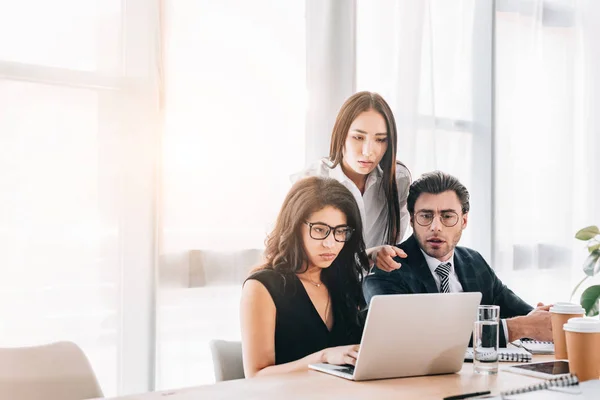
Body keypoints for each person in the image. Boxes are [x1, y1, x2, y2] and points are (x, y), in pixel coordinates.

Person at [363, 171, 552, 347]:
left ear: (464, 220)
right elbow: (418, 337)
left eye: (447, 216)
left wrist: (545, 319)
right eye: (426, 216)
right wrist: (519, 327)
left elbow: (523, 315)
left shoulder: (474, 262)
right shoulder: (388, 269)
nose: (436, 227)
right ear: (412, 220)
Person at [240, 177, 368, 378]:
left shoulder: (344, 281)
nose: (330, 244)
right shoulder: (263, 286)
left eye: (340, 232)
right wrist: (324, 358)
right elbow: (256, 375)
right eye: (320, 230)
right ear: (294, 226)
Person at [293, 91, 411, 272]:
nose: (368, 151)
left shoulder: (398, 181)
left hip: (371, 291)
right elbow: (295, 257)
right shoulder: (312, 180)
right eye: (358, 137)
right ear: (342, 135)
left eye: (380, 140)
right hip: (318, 288)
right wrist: (368, 256)